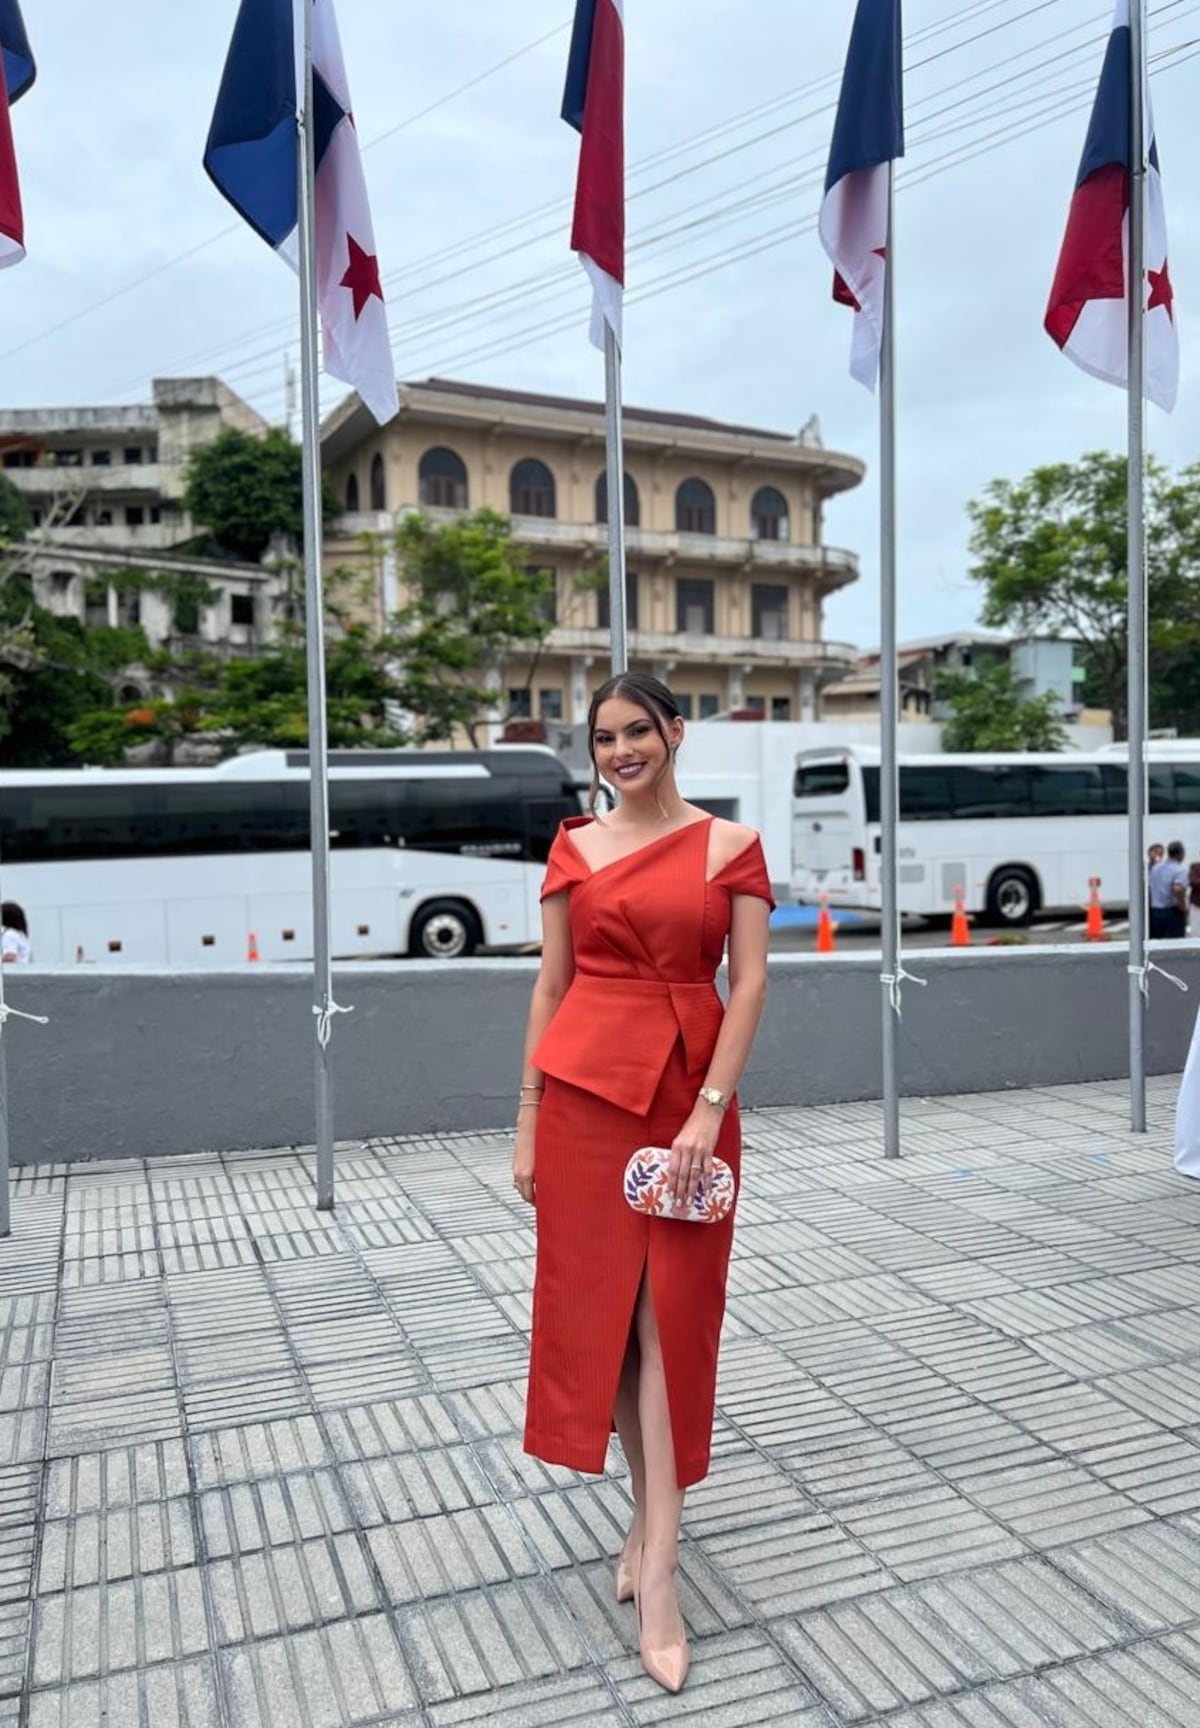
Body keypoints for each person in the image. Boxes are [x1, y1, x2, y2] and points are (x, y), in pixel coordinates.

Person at [512, 672, 771, 1696]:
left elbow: (749, 984)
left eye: (638, 731)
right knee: (609, 1328)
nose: (621, 750)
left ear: (675, 731)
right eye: (604, 737)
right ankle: (645, 1517)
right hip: (581, 1105)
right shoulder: (575, 845)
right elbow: (552, 983)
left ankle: (660, 1570)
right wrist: (526, 1120)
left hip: (686, 1102)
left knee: (672, 1322)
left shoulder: (729, 846)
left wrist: (708, 1109)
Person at [1149, 840, 1189, 940]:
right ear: (1181, 854)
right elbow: (1178, 889)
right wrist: (1183, 908)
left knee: (1156, 942)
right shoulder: (1180, 870)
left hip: (1155, 911)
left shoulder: (1155, 868)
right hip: (1172, 911)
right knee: (1173, 943)